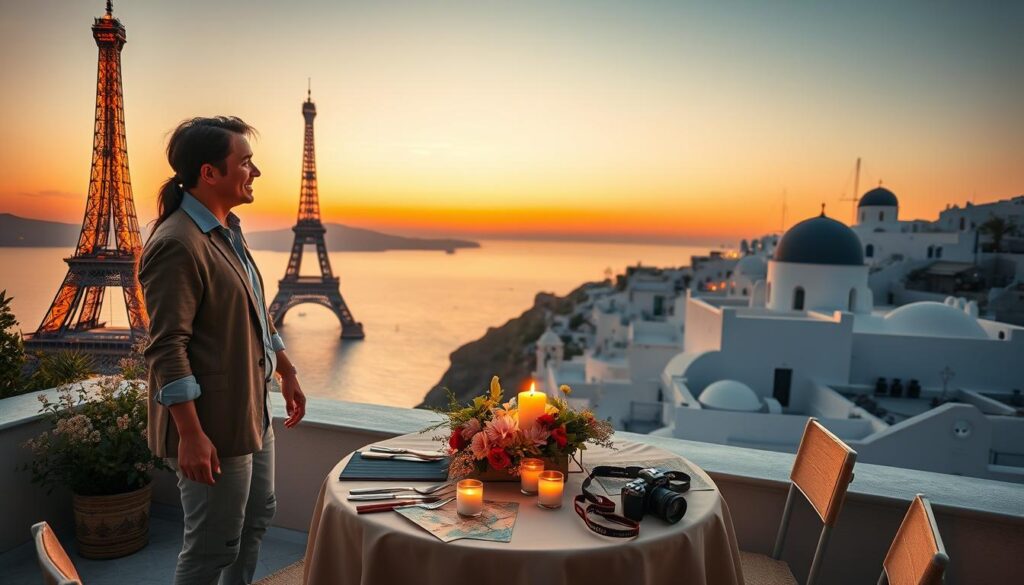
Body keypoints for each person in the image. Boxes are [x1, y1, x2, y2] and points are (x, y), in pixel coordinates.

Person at [139, 116, 306, 585]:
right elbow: (167, 347)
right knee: (212, 545)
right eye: (245, 162)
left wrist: (286, 370)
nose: (255, 173)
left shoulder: (227, 229)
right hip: (209, 426)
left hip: (250, 412)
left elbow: (256, 310)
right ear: (209, 173)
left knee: (254, 523)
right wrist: (190, 433)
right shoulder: (177, 243)